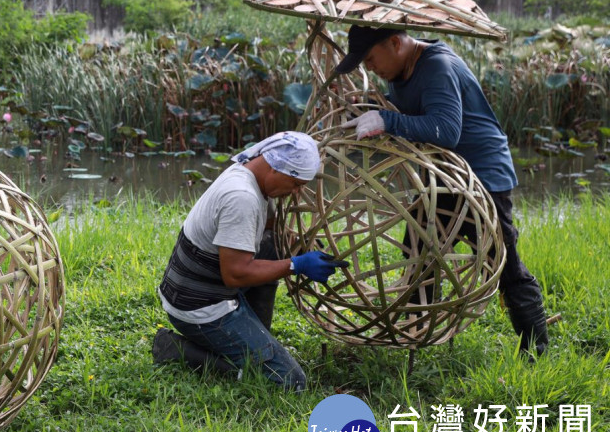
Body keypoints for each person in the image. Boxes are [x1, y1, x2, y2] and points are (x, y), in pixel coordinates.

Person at [334, 25, 549, 358]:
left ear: (395, 43)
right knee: (418, 254)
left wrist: (387, 121)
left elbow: (445, 130)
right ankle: (413, 338)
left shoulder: (437, 67)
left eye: (371, 59)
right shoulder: (401, 68)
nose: (370, 69)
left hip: (482, 177)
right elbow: (416, 108)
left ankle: (536, 352)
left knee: (502, 261)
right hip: (443, 178)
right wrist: (372, 106)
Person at [151, 131, 346, 391]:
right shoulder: (241, 197)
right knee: (289, 381)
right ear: (276, 168)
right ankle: (176, 349)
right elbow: (236, 274)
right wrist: (296, 265)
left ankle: (255, 334)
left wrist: (297, 242)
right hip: (198, 306)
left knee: (274, 245)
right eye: (296, 183)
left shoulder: (248, 172)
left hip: (199, 285)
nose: (297, 193)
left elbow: (267, 226)